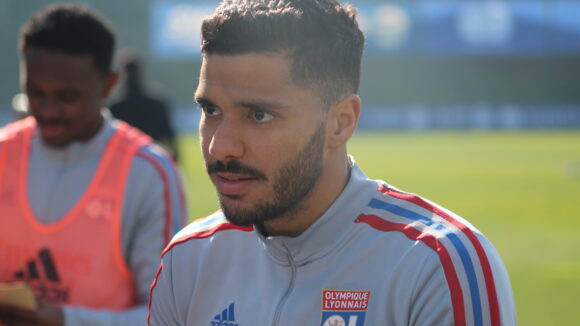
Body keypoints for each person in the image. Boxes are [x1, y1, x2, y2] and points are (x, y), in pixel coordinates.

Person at [148, 0, 516, 325]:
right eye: (210, 110)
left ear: (341, 122)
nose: (220, 146)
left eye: (259, 115)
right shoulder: (190, 261)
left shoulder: (437, 265)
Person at [0, 3, 186, 326]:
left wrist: (65, 319)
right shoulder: (4, 152)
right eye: (34, 92)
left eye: (67, 97)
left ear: (108, 85)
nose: (47, 110)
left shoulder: (147, 174)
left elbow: (168, 316)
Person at [109, 53, 180, 161]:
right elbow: (169, 135)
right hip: (152, 159)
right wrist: (175, 159)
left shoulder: (116, 107)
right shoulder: (156, 103)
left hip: (124, 161)